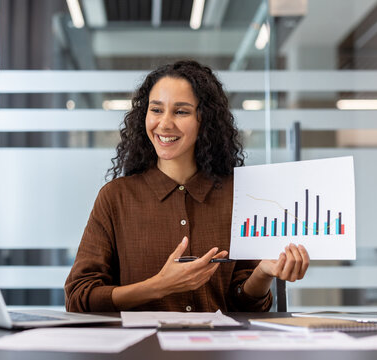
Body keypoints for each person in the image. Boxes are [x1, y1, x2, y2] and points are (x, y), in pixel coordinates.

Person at [65, 60, 309, 312]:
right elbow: (79, 297)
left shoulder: (238, 196)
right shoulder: (116, 197)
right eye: (156, 110)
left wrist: (263, 273)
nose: (165, 123)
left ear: (204, 120)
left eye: (181, 111)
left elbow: (247, 305)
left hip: (216, 349)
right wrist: (159, 285)